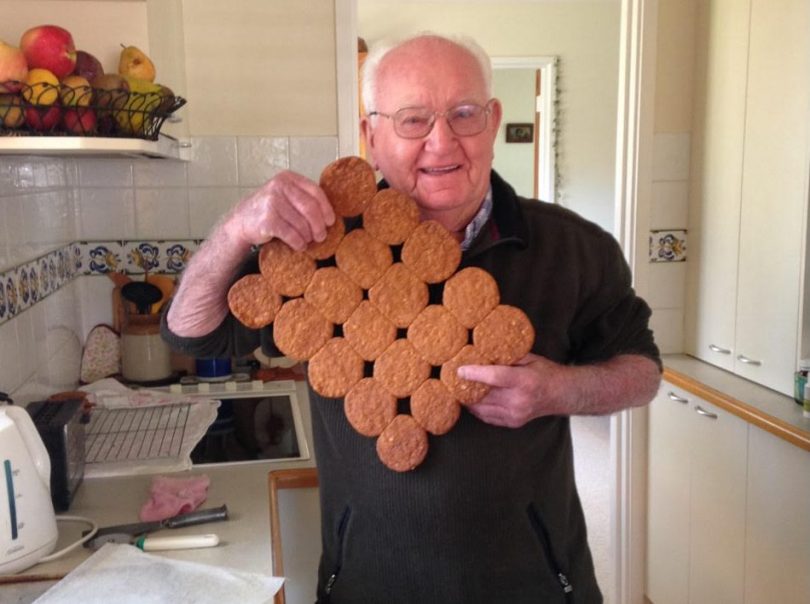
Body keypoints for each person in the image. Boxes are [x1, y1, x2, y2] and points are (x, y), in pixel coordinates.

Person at [162, 32, 661, 604]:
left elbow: (642, 370)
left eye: (464, 114)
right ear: (372, 135)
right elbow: (189, 330)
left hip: (534, 584)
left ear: (494, 121)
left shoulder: (574, 248)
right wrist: (235, 229)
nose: (441, 141)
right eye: (412, 120)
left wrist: (560, 390)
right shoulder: (316, 246)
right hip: (368, 585)